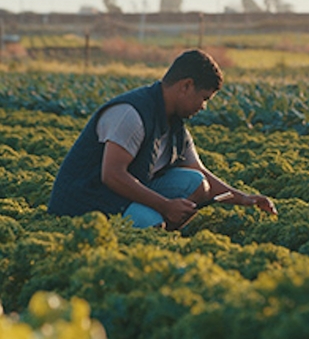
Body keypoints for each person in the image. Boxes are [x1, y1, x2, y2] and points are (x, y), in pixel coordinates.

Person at [48, 49, 277, 230]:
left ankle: (163, 229)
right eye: (204, 98)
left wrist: (246, 199)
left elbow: (200, 172)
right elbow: (112, 175)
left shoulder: (175, 123)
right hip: (87, 199)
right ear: (186, 86)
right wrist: (165, 206)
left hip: (124, 190)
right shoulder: (131, 114)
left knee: (197, 182)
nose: (203, 107)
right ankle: (155, 227)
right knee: (151, 221)